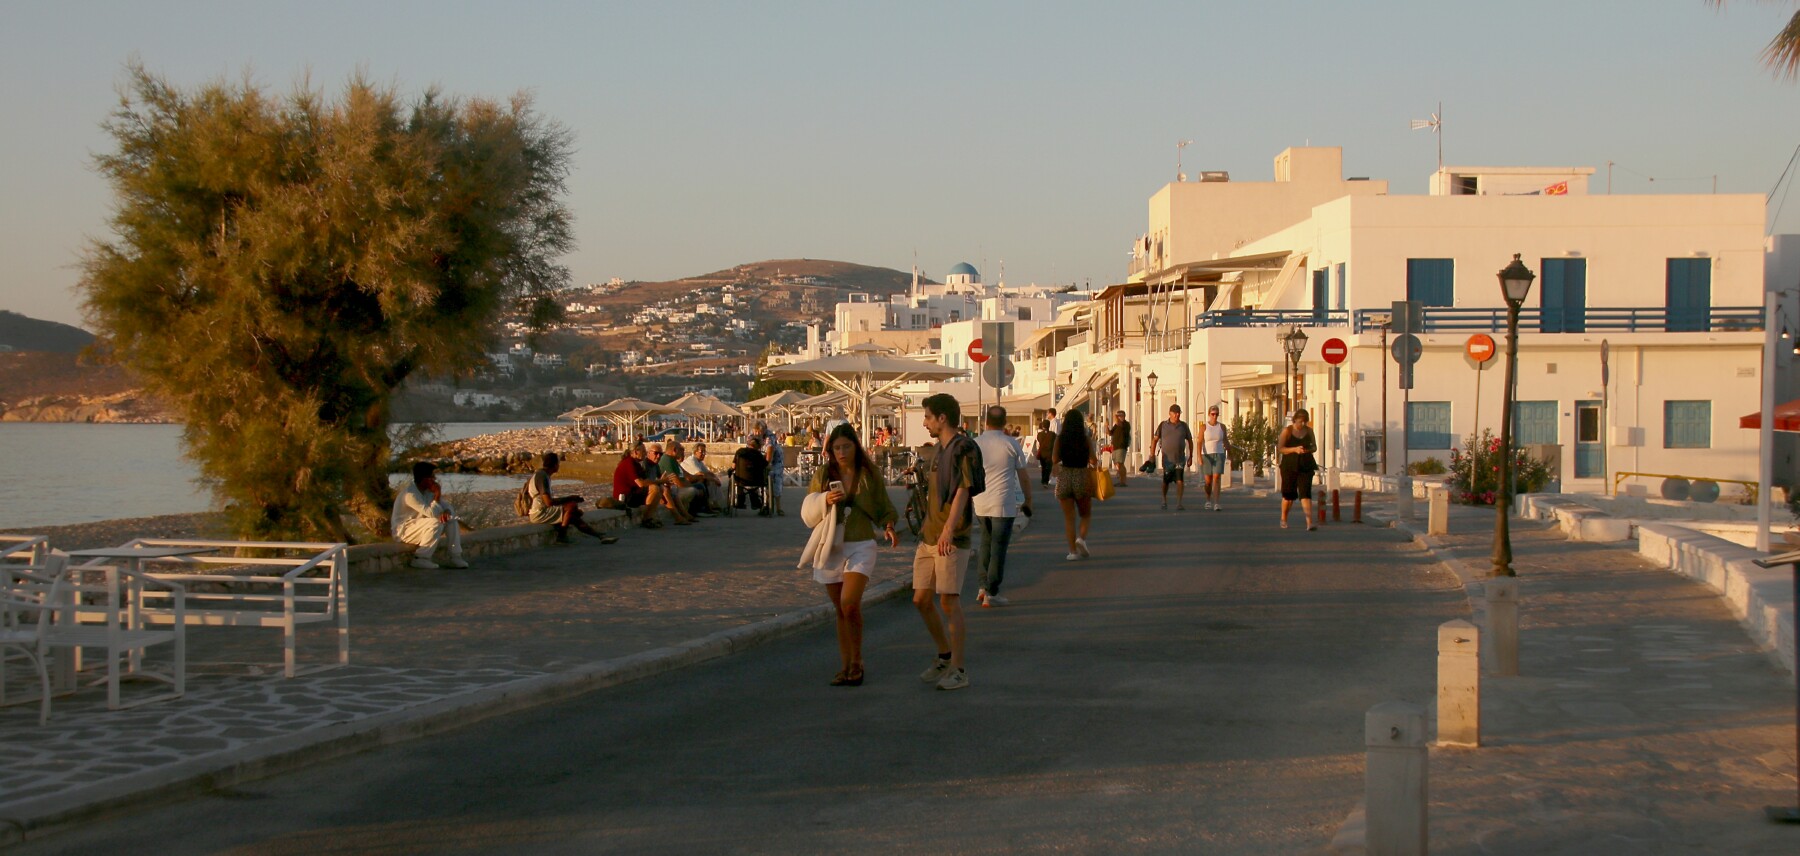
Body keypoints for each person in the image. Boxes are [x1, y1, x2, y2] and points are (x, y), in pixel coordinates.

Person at [806, 424, 899, 687]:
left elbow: (883, 505)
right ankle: (845, 665)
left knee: (849, 603)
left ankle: (857, 661)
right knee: (840, 609)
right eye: (837, 448)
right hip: (831, 544)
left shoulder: (869, 473)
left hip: (861, 543)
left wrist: (889, 526)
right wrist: (825, 500)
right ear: (830, 451)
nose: (842, 452)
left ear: (856, 447)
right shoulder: (824, 474)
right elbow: (809, 507)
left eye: (846, 446)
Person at [914, 392, 979, 691]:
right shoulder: (939, 449)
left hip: (950, 536)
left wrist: (949, 529)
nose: (924, 422)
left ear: (942, 418)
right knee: (921, 599)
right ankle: (944, 655)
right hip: (929, 534)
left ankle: (959, 669)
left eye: (928, 417)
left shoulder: (963, 448)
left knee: (949, 601)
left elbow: (963, 489)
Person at [973, 405, 1032, 608]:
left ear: (986, 421)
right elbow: (1023, 476)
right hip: (1003, 502)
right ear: (1005, 422)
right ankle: (992, 591)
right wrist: (1028, 500)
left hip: (980, 501)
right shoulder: (1011, 443)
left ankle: (982, 587)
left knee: (985, 543)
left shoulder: (975, 443)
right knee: (998, 547)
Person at [524, 452, 618, 544]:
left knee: (573, 516)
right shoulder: (542, 476)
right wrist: (570, 498)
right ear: (555, 465)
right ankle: (562, 535)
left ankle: (600, 536)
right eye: (558, 463)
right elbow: (548, 502)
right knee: (572, 506)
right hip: (539, 513)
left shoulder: (542, 475)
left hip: (541, 511)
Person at [391, 461, 469, 569]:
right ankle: (421, 558)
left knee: (451, 520)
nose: (435, 479)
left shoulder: (428, 491)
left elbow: (446, 506)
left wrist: (447, 511)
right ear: (425, 479)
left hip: (421, 527)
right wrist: (437, 495)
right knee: (436, 521)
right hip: (405, 531)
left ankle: (455, 556)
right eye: (432, 477)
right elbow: (431, 513)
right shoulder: (410, 494)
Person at [1055, 409, 1098, 561]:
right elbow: (1093, 460)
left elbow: (1054, 459)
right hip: (1082, 476)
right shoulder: (1085, 439)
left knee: (1069, 518)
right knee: (1085, 514)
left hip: (1065, 476)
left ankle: (1072, 552)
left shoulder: (1060, 439)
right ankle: (1081, 538)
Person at [1278, 409, 1320, 531]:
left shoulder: (1309, 431)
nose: (1302, 424)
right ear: (1295, 419)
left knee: (1305, 493)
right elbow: (1281, 448)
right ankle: (1283, 518)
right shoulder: (1287, 431)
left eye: (1304, 422)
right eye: (1300, 421)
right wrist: (1294, 449)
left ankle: (1309, 523)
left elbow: (1314, 447)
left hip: (1305, 465)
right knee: (1289, 496)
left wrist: (1307, 449)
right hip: (1289, 466)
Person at [1150, 404, 1195, 511]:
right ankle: (1164, 499)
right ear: (1170, 413)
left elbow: (1190, 440)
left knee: (1180, 480)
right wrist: (1152, 455)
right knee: (1166, 481)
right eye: (1175, 413)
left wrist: (1191, 456)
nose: (1177, 415)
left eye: (1178, 413)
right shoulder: (1163, 425)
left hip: (1180, 458)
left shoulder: (1183, 426)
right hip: (1167, 460)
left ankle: (1179, 502)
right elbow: (1155, 440)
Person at [612, 441, 666, 529]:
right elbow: (641, 483)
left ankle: (650, 517)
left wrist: (661, 482)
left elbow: (646, 480)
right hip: (625, 497)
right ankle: (646, 519)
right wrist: (661, 481)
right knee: (654, 488)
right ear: (636, 452)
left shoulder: (637, 464)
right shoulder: (628, 463)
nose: (645, 453)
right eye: (643, 451)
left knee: (659, 488)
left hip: (633, 494)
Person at [657, 440, 706, 521]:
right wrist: (690, 486)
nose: (682, 452)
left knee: (700, 485)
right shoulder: (667, 460)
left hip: (677, 487)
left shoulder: (673, 460)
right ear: (674, 450)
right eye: (680, 449)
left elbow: (687, 475)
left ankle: (697, 511)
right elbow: (675, 480)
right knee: (694, 490)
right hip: (673, 488)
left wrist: (699, 478)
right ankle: (689, 513)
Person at [1199, 405, 1231, 511]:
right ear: (1209, 414)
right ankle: (1208, 499)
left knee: (1216, 477)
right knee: (1208, 481)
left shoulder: (1222, 427)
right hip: (1207, 455)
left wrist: (1230, 453)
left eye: (1217, 414)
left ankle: (1216, 502)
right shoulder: (1204, 427)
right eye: (1213, 414)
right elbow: (1199, 442)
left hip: (1219, 453)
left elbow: (1225, 440)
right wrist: (1199, 456)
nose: (1215, 416)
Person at [681, 442, 728, 512]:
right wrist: (714, 480)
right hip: (688, 482)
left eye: (704, 452)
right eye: (701, 452)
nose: (704, 454)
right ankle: (710, 505)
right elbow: (700, 474)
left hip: (696, 480)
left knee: (711, 481)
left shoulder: (699, 462)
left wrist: (716, 478)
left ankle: (715, 503)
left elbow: (708, 473)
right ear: (695, 452)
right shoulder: (691, 460)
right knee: (707, 481)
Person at [733, 434, 772, 515]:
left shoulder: (739, 452)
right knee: (756, 481)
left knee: (738, 478)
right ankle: (755, 502)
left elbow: (733, 466)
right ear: (758, 447)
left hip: (741, 480)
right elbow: (765, 465)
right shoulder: (759, 455)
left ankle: (740, 501)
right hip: (756, 480)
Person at [755, 420, 787, 517]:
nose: (757, 433)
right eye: (756, 431)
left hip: (776, 460)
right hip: (764, 457)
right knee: (764, 481)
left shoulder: (770, 437)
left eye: (759, 431)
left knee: (776, 481)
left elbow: (769, 452)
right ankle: (765, 504)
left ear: (764, 430)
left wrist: (766, 464)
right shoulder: (754, 435)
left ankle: (778, 507)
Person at [1109, 410, 1132, 487]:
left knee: (1120, 463)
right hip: (1115, 447)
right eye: (1118, 416)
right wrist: (1106, 426)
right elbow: (1110, 433)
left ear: (1124, 416)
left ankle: (1123, 481)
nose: (1118, 417)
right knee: (1116, 463)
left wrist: (1115, 417)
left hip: (1121, 446)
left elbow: (1120, 424)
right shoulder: (1116, 425)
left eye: (1120, 415)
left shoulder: (1126, 424)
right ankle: (1121, 479)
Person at [1034, 418, 1058, 487]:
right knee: (1048, 467)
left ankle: (1043, 480)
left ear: (1042, 426)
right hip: (1050, 453)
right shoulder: (1053, 434)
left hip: (1042, 453)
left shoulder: (1039, 434)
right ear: (1049, 425)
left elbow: (1038, 440)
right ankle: (1045, 481)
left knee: (1043, 467)